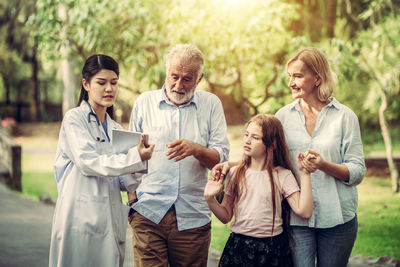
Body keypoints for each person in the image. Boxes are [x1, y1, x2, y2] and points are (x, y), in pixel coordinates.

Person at [213, 47, 366, 267]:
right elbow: (267, 158)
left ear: (317, 78)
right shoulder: (283, 116)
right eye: (289, 77)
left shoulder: (344, 117)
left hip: (337, 218)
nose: (291, 83)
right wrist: (231, 165)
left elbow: (358, 171)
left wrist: (323, 165)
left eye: (298, 76)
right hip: (297, 220)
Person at [127, 44, 230, 266]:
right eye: (174, 76)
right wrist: (132, 200)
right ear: (166, 71)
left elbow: (221, 159)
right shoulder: (145, 102)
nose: (178, 85)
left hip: (193, 218)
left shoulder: (211, 105)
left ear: (199, 78)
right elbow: (130, 155)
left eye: (187, 79)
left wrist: (197, 149)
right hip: (148, 213)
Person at [49, 54, 154, 267]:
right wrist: (134, 157)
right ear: (85, 84)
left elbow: (128, 182)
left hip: (110, 218)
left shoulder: (116, 129)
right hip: (79, 216)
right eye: (102, 82)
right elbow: (88, 162)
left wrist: (142, 159)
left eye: (114, 83)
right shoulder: (74, 119)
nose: (109, 89)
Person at [204, 114, 313, 267]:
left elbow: (305, 211)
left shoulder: (282, 175)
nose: (247, 140)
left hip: (272, 251)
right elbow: (226, 216)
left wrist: (305, 173)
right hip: (239, 248)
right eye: (246, 135)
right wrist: (210, 199)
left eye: (255, 137)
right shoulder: (236, 172)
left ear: (272, 143)